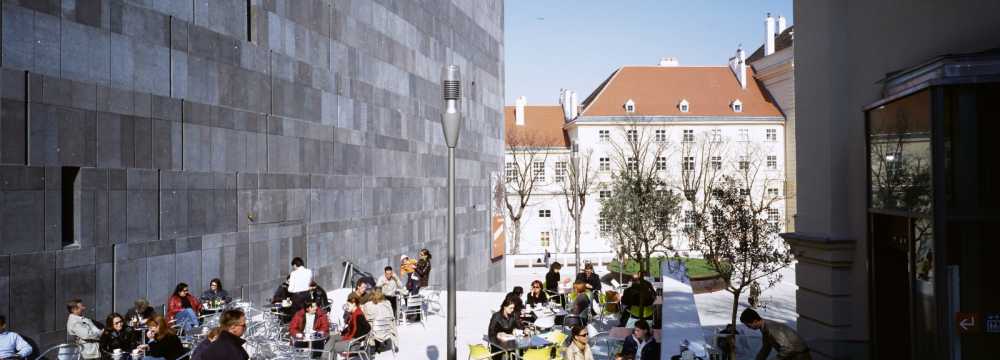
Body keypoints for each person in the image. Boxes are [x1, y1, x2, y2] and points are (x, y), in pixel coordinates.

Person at [740, 308, 811, 360]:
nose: (748, 328)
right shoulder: (764, 328)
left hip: (800, 356)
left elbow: (788, 348)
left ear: (755, 321)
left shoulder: (771, 328)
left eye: (748, 325)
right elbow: (766, 348)